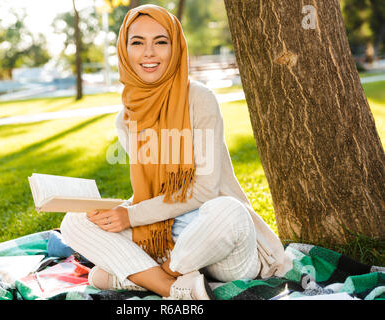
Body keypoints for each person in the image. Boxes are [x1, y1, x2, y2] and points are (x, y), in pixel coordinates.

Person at [60, 4, 291, 300]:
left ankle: (154, 276)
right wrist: (115, 214)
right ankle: (175, 289)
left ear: (176, 47)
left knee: (228, 211)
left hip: (218, 243)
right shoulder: (126, 118)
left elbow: (206, 190)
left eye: (160, 41)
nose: (149, 53)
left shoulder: (200, 99)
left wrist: (130, 217)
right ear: (124, 50)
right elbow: (152, 193)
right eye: (137, 42)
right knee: (76, 221)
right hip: (164, 237)